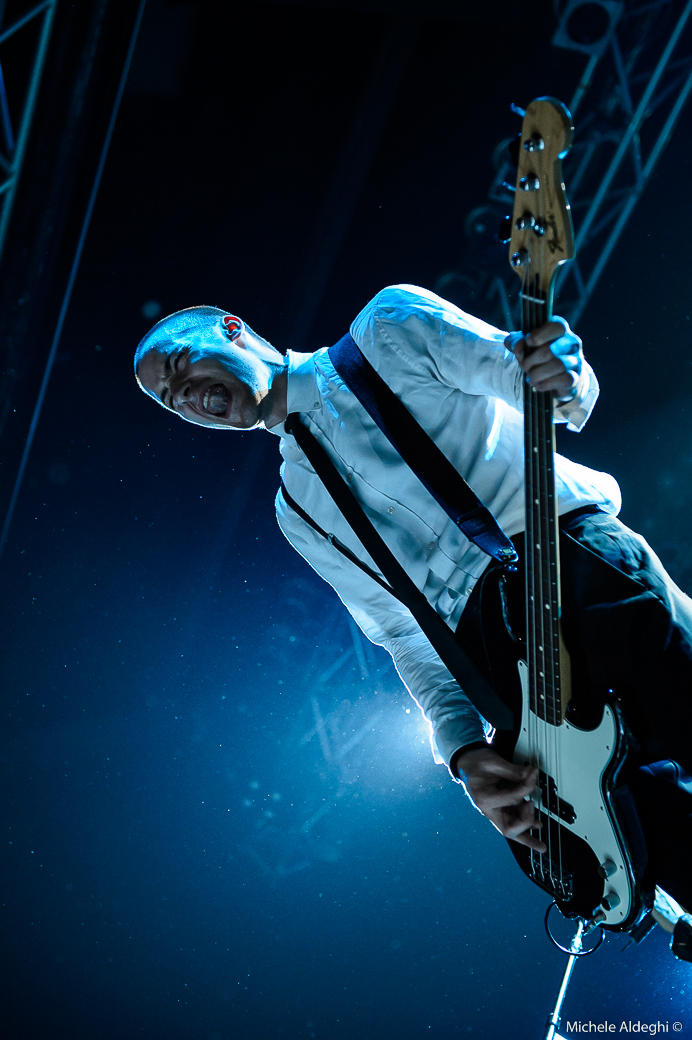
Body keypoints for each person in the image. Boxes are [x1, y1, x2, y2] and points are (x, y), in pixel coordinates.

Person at [134, 284, 692, 935]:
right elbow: (404, 633)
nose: (184, 396)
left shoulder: (388, 327)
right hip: (499, 666)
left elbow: (544, 388)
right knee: (667, 846)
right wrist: (463, 751)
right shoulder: (296, 510)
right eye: (169, 400)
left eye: (180, 367)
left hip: (576, 566)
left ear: (234, 329)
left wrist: (564, 374)